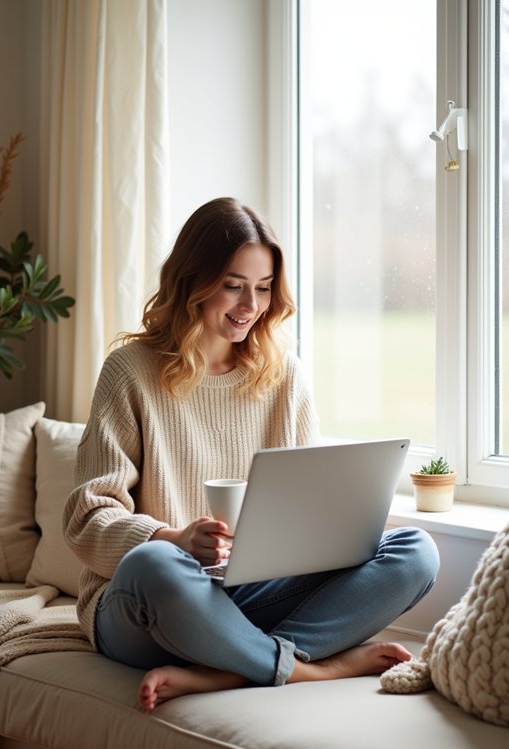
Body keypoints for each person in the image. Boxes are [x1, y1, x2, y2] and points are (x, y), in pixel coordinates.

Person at [63, 197, 440, 713]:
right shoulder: (130, 371)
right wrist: (175, 539)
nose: (250, 305)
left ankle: (230, 669)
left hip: (249, 599)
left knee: (417, 551)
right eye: (233, 285)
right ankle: (309, 668)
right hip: (149, 606)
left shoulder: (284, 375)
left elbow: (309, 509)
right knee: (156, 562)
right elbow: (86, 520)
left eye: (263, 288)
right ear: (192, 282)